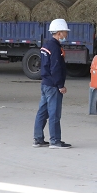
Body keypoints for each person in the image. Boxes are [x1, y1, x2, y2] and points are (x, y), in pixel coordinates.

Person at [33, 18, 72, 149]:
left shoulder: (46, 45)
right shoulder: (55, 48)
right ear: (59, 33)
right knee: (54, 113)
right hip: (53, 86)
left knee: (42, 112)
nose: (66, 35)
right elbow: (55, 68)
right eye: (65, 32)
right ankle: (55, 141)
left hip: (45, 83)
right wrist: (60, 85)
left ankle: (38, 139)